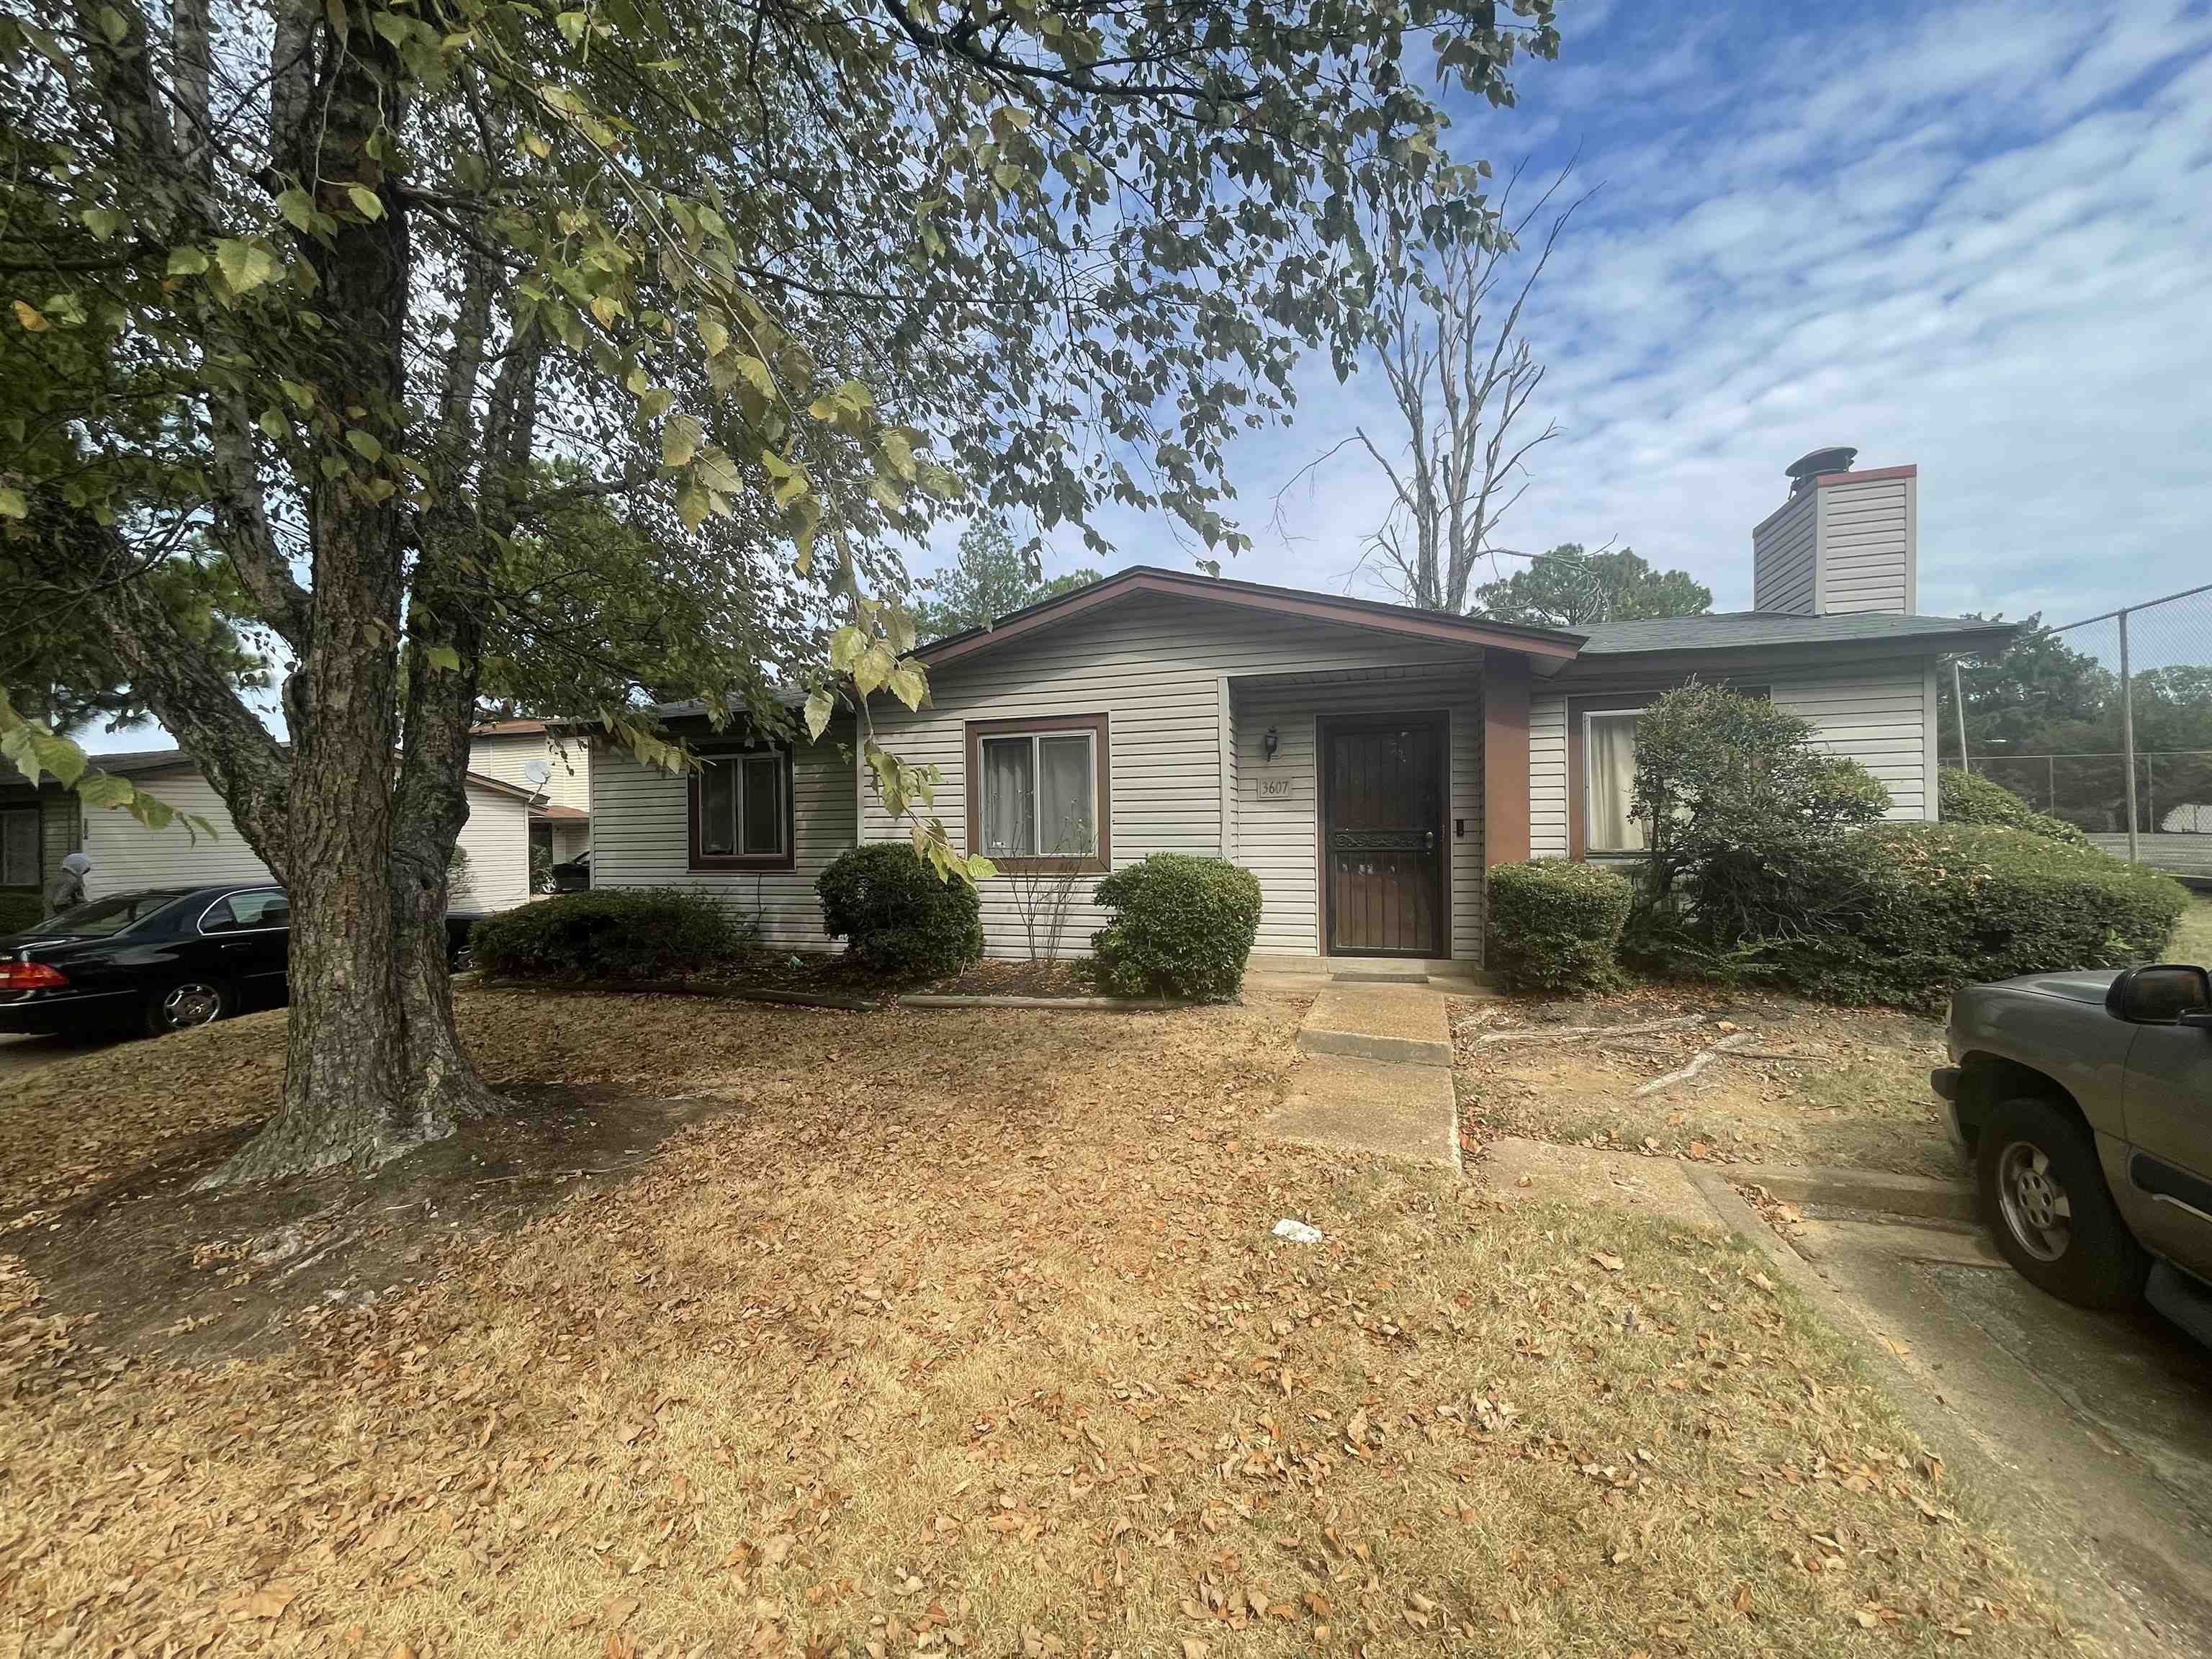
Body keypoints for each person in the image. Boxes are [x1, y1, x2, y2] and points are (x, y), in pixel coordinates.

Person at [42, 850, 90, 917]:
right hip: (61, 920)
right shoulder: (71, 881)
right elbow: (59, 902)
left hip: (48, 918)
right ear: (79, 866)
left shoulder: (53, 878)